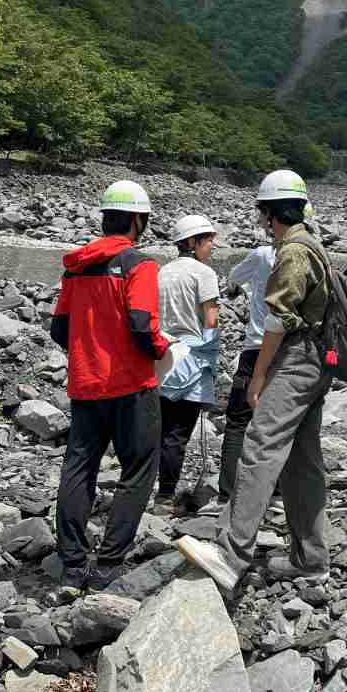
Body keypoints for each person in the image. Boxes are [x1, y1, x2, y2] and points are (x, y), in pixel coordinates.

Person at [176, 170, 333, 592]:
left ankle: (230, 554)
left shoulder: (293, 252)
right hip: (318, 360)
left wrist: (259, 374)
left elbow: (279, 319)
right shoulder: (311, 245)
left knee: (261, 444)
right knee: (302, 459)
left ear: (267, 213)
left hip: (296, 359)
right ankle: (311, 558)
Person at [50, 180, 168, 591]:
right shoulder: (140, 265)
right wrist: (160, 347)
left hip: (85, 386)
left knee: (79, 468)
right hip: (132, 386)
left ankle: (72, 563)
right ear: (139, 220)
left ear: (105, 219)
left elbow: (59, 328)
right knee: (137, 470)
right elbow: (141, 323)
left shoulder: (77, 266)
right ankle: (109, 562)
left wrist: (88, 350)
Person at [207, 229, 279, 510]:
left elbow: (234, 278)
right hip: (292, 353)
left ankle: (227, 493)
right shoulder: (313, 254)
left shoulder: (262, 255)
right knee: (281, 422)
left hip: (257, 349)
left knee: (238, 421)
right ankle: (279, 493)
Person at [153, 214, 221, 513]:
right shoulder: (203, 273)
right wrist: (212, 363)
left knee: (161, 430)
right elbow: (211, 320)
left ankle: (149, 489)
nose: (213, 246)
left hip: (161, 356)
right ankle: (165, 497)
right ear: (192, 243)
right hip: (191, 357)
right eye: (208, 240)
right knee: (178, 434)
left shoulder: (162, 272)